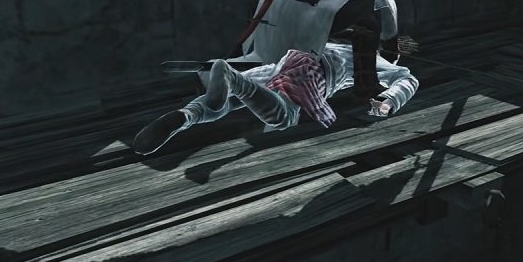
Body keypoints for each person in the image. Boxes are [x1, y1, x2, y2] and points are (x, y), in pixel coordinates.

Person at [134, 42, 419, 155]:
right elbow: (408, 79)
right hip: (312, 75)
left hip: (284, 64)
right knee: (285, 117)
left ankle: (186, 116)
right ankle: (229, 74)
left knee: (226, 101)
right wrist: (388, 102)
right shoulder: (376, 59)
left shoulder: (340, 38)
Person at [226, 0, 404, 99]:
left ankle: (219, 77)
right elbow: (383, 2)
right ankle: (366, 83)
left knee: (271, 62)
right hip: (297, 9)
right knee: (370, 8)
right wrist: (391, 44)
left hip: (293, 8)